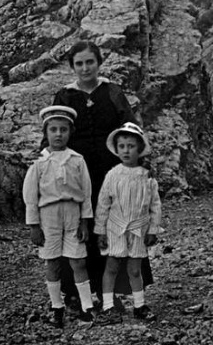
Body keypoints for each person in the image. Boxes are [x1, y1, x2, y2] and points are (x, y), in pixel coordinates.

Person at [51, 40, 153, 311]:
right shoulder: (64, 96)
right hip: (76, 174)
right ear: (72, 67)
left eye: (90, 62)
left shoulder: (113, 92)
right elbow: (55, 132)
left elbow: (129, 131)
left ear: (99, 63)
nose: (85, 68)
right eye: (79, 63)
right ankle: (75, 293)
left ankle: (113, 292)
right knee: (75, 229)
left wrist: (139, 166)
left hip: (110, 172)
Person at [22, 105, 96, 328]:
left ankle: (87, 307)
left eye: (63, 129)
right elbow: (30, 196)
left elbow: (86, 192)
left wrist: (85, 220)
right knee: (52, 262)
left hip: (73, 214)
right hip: (49, 216)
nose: (58, 134)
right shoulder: (39, 162)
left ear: (70, 132)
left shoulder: (77, 160)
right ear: (46, 133)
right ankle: (57, 308)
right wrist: (34, 225)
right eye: (53, 129)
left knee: (78, 260)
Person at [93, 122, 161, 325]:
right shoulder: (113, 175)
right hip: (115, 228)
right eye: (121, 146)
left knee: (134, 269)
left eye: (130, 146)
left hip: (138, 229)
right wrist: (100, 231)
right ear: (117, 149)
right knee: (112, 267)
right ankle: (108, 306)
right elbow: (103, 204)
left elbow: (155, 205)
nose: (126, 150)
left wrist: (153, 229)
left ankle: (139, 306)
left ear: (139, 149)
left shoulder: (147, 177)